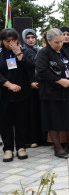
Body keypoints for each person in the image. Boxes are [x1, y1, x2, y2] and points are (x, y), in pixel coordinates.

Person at [36, 28, 69, 159]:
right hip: (52, 93)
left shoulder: (63, 51)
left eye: (61, 42)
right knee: (54, 120)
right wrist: (59, 80)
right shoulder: (43, 53)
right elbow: (42, 71)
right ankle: (58, 148)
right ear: (49, 41)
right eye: (56, 42)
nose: (59, 45)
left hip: (68, 91)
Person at [0, 28, 34, 162]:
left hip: (22, 93)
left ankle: (21, 147)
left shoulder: (24, 51)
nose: (11, 43)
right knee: (5, 122)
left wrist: (19, 54)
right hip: (4, 94)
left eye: (14, 40)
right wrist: (8, 84)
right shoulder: (1, 54)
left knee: (21, 121)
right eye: (8, 41)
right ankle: (8, 148)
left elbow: (31, 68)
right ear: (2, 42)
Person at [22, 28, 44, 148]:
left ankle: (42, 138)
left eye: (33, 37)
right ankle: (32, 139)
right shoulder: (21, 51)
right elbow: (22, 71)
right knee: (30, 113)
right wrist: (30, 83)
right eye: (28, 38)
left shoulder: (40, 50)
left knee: (41, 112)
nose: (31, 40)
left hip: (41, 85)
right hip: (28, 87)